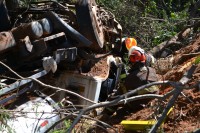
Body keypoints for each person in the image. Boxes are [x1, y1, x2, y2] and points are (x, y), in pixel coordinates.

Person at [99, 40, 159, 119]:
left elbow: (118, 95)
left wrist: (106, 110)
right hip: (153, 101)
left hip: (137, 106)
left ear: (131, 60)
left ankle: (105, 116)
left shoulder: (132, 77)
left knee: (118, 105)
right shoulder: (152, 71)